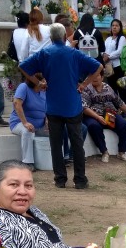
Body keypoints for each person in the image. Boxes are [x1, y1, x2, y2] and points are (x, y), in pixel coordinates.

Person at [20, 23, 102, 190]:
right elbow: (98, 66)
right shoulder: (74, 53)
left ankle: (60, 179)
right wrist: (84, 84)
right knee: (77, 143)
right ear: (65, 37)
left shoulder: (44, 53)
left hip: (53, 106)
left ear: (51, 38)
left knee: (56, 144)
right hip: (72, 105)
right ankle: (80, 180)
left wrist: (39, 82)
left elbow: (23, 66)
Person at [81, 69, 126, 163]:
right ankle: (104, 152)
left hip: (109, 115)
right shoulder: (86, 89)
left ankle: (122, 152)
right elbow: (84, 108)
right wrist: (97, 117)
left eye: (97, 75)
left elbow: (118, 102)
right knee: (94, 126)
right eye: (92, 76)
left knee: (124, 124)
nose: (94, 78)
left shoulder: (107, 87)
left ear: (102, 77)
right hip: (93, 116)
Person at [9, 73, 47, 170]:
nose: (45, 82)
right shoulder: (24, 87)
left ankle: (62, 158)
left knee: (58, 130)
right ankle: (27, 162)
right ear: (36, 81)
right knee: (27, 131)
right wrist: (25, 123)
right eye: (43, 80)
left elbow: (48, 109)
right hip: (19, 122)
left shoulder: (44, 92)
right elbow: (17, 104)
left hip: (40, 126)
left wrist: (48, 121)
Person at [103, 19, 126, 100]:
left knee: (121, 88)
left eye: (116, 26)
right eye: (113, 26)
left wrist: (108, 56)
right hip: (109, 67)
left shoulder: (122, 38)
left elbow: (119, 52)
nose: (114, 27)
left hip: (118, 67)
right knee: (111, 88)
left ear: (120, 27)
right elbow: (103, 50)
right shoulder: (108, 39)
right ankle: (114, 108)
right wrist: (103, 55)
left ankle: (124, 109)